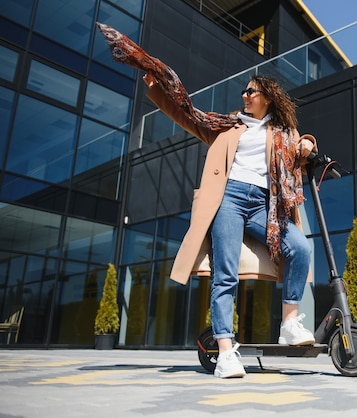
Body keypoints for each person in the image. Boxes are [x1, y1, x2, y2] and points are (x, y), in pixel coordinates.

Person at [96, 23, 317, 378]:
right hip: (228, 200)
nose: (244, 95)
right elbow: (184, 113)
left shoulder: (283, 132)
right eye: (244, 91)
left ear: (268, 99)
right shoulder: (225, 126)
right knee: (225, 274)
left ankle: (290, 323)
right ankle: (226, 351)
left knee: (300, 248)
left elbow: (302, 148)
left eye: (251, 91)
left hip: (264, 206)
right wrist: (156, 83)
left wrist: (307, 143)